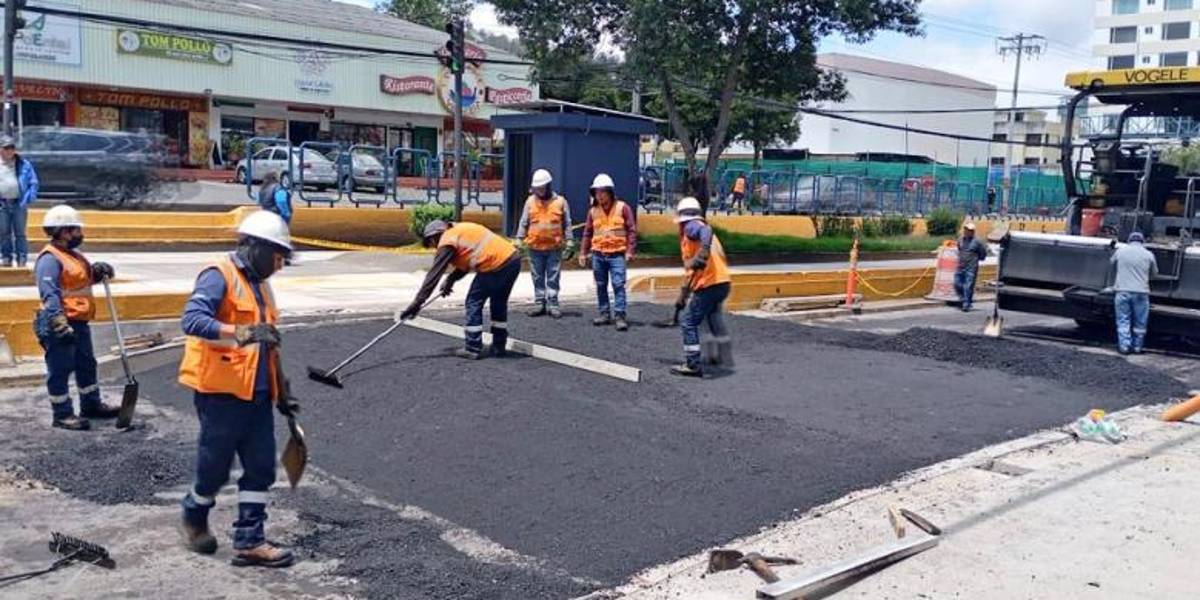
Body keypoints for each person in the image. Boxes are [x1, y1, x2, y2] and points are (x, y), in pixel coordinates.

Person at [178, 210, 296, 568]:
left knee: (261, 467)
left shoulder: (262, 284)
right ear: (255, 247)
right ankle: (194, 515)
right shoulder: (219, 275)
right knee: (214, 468)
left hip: (258, 393)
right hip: (221, 392)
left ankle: (250, 541)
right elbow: (192, 320)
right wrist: (239, 332)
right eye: (276, 257)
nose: (278, 265)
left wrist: (283, 388)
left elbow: (269, 340)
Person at [33, 205, 119, 430]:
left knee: (86, 364)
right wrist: (58, 320)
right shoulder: (49, 259)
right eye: (76, 230)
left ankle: (91, 405)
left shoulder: (74, 256)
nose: (80, 234)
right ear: (63, 231)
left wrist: (98, 272)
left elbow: (79, 282)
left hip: (79, 320)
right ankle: (62, 414)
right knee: (60, 368)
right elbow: (49, 293)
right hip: (59, 322)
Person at [398, 219, 520, 360]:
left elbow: (434, 275)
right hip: (512, 260)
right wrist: (451, 280)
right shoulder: (460, 231)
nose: (434, 247)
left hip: (495, 265)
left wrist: (417, 303)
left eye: (431, 243)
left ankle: (472, 347)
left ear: (435, 236)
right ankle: (499, 346)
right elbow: (467, 262)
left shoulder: (447, 240)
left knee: (473, 301)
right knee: (498, 302)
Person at [671, 197, 732, 378]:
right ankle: (719, 356)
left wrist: (703, 250)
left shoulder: (692, 227)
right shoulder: (692, 239)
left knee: (689, 322)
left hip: (709, 284)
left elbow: (706, 230)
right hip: (721, 283)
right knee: (712, 318)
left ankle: (693, 364)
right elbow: (692, 271)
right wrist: (683, 295)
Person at [579, 173, 637, 331]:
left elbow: (631, 230)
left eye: (602, 192)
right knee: (600, 285)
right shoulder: (593, 211)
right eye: (596, 193)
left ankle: (620, 315)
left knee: (618, 285)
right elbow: (587, 233)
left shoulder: (623, 208)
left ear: (610, 192)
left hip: (617, 254)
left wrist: (630, 251)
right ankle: (604, 313)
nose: (599, 196)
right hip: (598, 254)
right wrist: (583, 253)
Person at [514, 168, 572, 319]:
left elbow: (567, 223)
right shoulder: (530, 201)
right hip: (535, 247)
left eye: (541, 188)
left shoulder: (560, 202)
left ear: (548, 186)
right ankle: (539, 303)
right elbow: (524, 222)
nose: (538, 191)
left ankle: (553, 304)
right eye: (536, 188)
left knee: (553, 276)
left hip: (554, 247)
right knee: (537, 276)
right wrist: (519, 239)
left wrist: (570, 241)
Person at [1110, 231, 1158, 355]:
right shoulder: (1148, 254)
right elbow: (1154, 274)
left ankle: (1124, 346)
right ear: (1142, 241)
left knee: (1123, 320)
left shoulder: (1120, 251)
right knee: (1140, 323)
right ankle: (1137, 347)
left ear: (1129, 240)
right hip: (1141, 292)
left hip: (1123, 291)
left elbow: (1111, 263)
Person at [0, 135, 39, 268]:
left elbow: (33, 182)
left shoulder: (24, 164)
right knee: (4, 233)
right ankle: (6, 258)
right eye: (6, 148)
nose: (9, 151)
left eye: (12, 148)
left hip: (19, 203)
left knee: (20, 233)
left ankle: (22, 259)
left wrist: (29, 198)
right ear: (1, 149)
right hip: (2, 204)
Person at [954, 222, 988, 312]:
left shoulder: (977, 242)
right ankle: (963, 299)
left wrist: (977, 259)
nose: (967, 232)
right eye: (966, 230)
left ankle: (966, 304)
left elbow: (983, 253)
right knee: (957, 283)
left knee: (968, 286)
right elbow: (959, 249)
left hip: (971, 267)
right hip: (960, 266)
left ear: (972, 232)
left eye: (969, 230)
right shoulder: (960, 240)